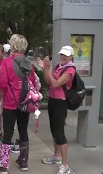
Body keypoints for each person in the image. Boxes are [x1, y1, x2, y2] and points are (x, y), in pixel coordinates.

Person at [0, 34, 37, 174]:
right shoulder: (28, 63)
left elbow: (1, 84)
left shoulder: (6, 63)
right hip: (24, 103)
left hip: (10, 103)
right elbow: (32, 83)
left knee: (8, 133)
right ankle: (23, 162)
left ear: (13, 46)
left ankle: (3, 164)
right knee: (23, 131)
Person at [37, 46, 75, 174]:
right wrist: (45, 70)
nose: (63, 57)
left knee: (60, 133)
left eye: (66, 55)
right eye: (62, 54)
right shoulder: (59, 66)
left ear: (71, 57)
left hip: (61, 102)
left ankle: (65, 165)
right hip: (53, 100)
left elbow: (56, 84)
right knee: (54, 130)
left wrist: (47, 69)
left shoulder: (70, 69)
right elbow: (49, 82)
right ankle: (57, 156)